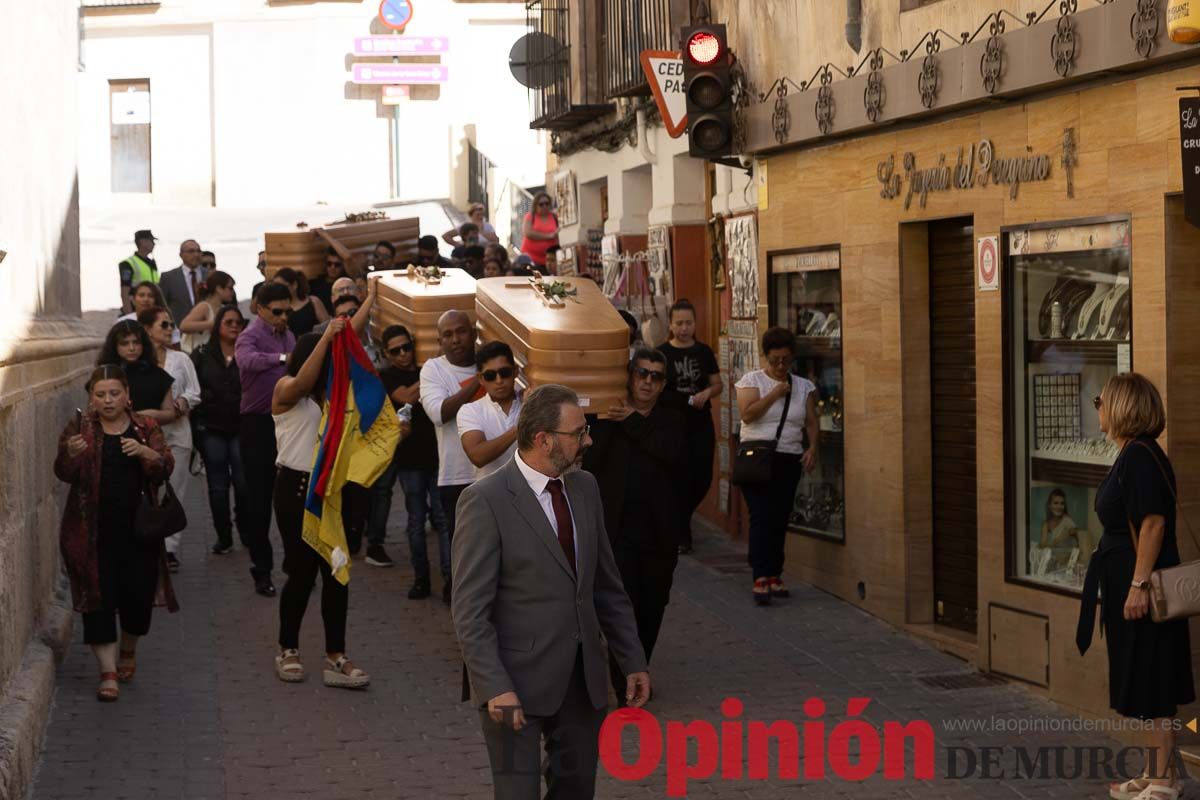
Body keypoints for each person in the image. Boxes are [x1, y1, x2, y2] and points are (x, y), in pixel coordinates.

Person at [452, 384, 650, 799]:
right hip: (514, 684)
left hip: (581, 684)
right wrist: (494, 687)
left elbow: (606, 587)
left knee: (576, 791)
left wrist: (632, 659)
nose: (588, 440)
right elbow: (470, 611)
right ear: (543, 439)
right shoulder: (485, 501)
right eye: (579, 433)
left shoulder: (586, 489)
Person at [1077, 373, 1195, 800]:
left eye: (1101, 400)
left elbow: (1152, 523)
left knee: (1152, 680)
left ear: (1123, 406)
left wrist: (1138, 584)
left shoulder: (1140, 456)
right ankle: (1155, 772)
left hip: (1142, 583)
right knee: (1144, 678)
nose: (1098, 408)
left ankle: (1164, 781)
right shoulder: (1133, 453)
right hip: (1129, 578)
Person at [55, 365, 176, 702]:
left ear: (127, 395)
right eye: (100, 394)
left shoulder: (144, 426)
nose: (108, 400)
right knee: (98, 598)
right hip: (90, 531)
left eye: (114, 393)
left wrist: (146, 453)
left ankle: (128, 650)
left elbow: (165, 465)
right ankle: (107, 672)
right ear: (91, 398)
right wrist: (70, 454)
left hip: (139, 531)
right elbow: (63, 472)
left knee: (137, 600)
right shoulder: (81, 427)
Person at [271, 323, 370, 690]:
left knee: (336, 573)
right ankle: (288, 648)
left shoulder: (337, 398)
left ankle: (336, 655)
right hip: (296, 490)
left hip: (332, 491)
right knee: (300, 573)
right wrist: (325, 338)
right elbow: (300, 383)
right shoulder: (286, 391)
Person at [584, 348, 686, 702]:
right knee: (618, 606)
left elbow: (671, 453)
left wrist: (632, 421)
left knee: (652, 607)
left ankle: (637, 668)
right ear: (630, 375)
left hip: (659, 534)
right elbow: (590, 461)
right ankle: (624, 677)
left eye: (655, 377)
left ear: (663, 385)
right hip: (616, 533)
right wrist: (615, 420)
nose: (647, 382)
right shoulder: (606, 416)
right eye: (641, 373)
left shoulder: (672, 418)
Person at [735, 327, 819, 606]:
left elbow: (810, 421)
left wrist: (813, 448)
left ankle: (775, 573)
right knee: (761, 516)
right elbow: (747, 415)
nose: (781, 366)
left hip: (788, 458)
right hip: (756, 457)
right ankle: (760, 575)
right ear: (765, 358)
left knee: (780, 517)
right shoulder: (752, 380)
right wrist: (774, 394)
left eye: (786, 360)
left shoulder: (803, 386)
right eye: (775, 360)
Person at [372, 326, 449, 592]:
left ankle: (449, 580)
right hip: (409, 460)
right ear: (386, 353)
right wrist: (430, 374)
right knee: (416, 522)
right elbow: (406, 397)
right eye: (396, 350)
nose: (404, 354)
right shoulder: (387, 376)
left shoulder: (426, 368)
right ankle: (421, 579)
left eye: (407, 347)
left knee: (442, 520)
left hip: (437, 454)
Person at [235, 282, 297, 597]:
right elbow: (247, 361)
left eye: (287, 310)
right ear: (261, 309)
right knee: (259, 503)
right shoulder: (249, 336)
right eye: (277, 311)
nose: (284, 316)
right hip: (257, 426)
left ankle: (294, 567)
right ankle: (262, 571)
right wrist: (284, 358)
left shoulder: (288, 335)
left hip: (285, 424)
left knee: (289, 498)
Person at [419, 310, 482, 604]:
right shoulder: (433, 370)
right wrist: (479, 383)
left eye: (461, 332)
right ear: (439, 340)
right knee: (463, 550)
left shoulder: (491, 361)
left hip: (497, 471)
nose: (456, 340)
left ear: (474, 333)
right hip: (457, 476)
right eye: (448, 335)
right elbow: (439, 413)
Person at [658, 299, 722, 554]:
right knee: (678, 477)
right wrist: (685, 399)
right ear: (671, 325)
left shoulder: (703, 352)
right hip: (673, 424)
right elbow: (659, 390)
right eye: (679, 323)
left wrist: (707, 394)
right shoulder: (662, 353)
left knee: (703, 477)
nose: (684, 328)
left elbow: (717, 384)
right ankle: (682, 534)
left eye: (689, 323)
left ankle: (679, 521)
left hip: (700, 423)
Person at [140, 306, 202, 572]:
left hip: (177, 434)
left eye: (171, 324)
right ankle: (149, 543)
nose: (170, 329)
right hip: (144, 438)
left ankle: (170, 548)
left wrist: (181, 403)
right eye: (163, 325)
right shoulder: (138, 363)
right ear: (147, 330)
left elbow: (194, 392)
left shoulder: (181, 360)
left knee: (174, 489)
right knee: (148, 492)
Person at [192, 305, 250, 556]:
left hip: (241, 426)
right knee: (217, 486)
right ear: (218, 326)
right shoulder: (203, 354)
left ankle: (246, 531)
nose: (234, 326)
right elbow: (193, 389)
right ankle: (223, 536)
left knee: (243, 482)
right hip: (212, 427)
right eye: (229, 322)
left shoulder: (248, 353)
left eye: (238, 322)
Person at [458, 341, 521, 480]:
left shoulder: (531, 404)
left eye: (504, 373)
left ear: (516, 371)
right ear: (480, 379)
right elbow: (478, 456)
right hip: (491, 498)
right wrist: (520, 427)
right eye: (490, 375)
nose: (499, 380)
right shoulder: (470, 411)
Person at [98, 320, 176, 427]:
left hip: (149, 437)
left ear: (143, 345)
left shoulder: (158, 375)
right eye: (124, 343)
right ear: (114, 347)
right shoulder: (104, 375)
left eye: (136, 342)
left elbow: (170, 414)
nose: (132, 348)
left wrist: (150, 416)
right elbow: (93, 412)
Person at [178, 270, 236, 354]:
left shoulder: (223, 309)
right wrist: (212, 324)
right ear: (219, 289)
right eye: (230, 288)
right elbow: (184, 326)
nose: (232, 292)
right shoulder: (204, 307)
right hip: (196, 357)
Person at [159, 239, 208, 326]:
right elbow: (161, 305)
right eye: (191, 251)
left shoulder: (209, 275)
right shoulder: (169, 278)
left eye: (198, 251)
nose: (196, 255)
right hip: (179, 330)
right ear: (181, 255)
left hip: (206, 329)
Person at [274, 267, 329, 338]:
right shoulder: (277, 307)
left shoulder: (313, 302)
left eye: (281, 287)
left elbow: (327, 327)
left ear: (294, 285)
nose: (278, 290)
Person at [118, 230, 158, 314]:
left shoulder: (151, 264)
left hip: (151, 309)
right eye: (152, 241)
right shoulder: (128, 264)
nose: (154, 244)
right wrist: (129, 316)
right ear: (143, 242)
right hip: (136, 310)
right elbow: (124, 293)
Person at [519, 191, 559, 273]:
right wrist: (549, 236)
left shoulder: (554, 217)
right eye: (541, 204)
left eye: (547, 203)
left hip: (548, 261)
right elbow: (528, 233)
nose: (544, 206)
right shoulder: (530, 216)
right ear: (535, 205)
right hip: (531, 260)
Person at [308, 247, 345, 315]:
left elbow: (348, 257)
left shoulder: (345, 284)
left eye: (337, 265)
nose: (332, 267)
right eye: (329, 263)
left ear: (343, 267)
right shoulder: (316, 283)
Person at [250, 250, 267, 316]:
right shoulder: (258, 287)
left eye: (263, 264)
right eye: (259, 265)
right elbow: (253, 310)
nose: (261, 268)